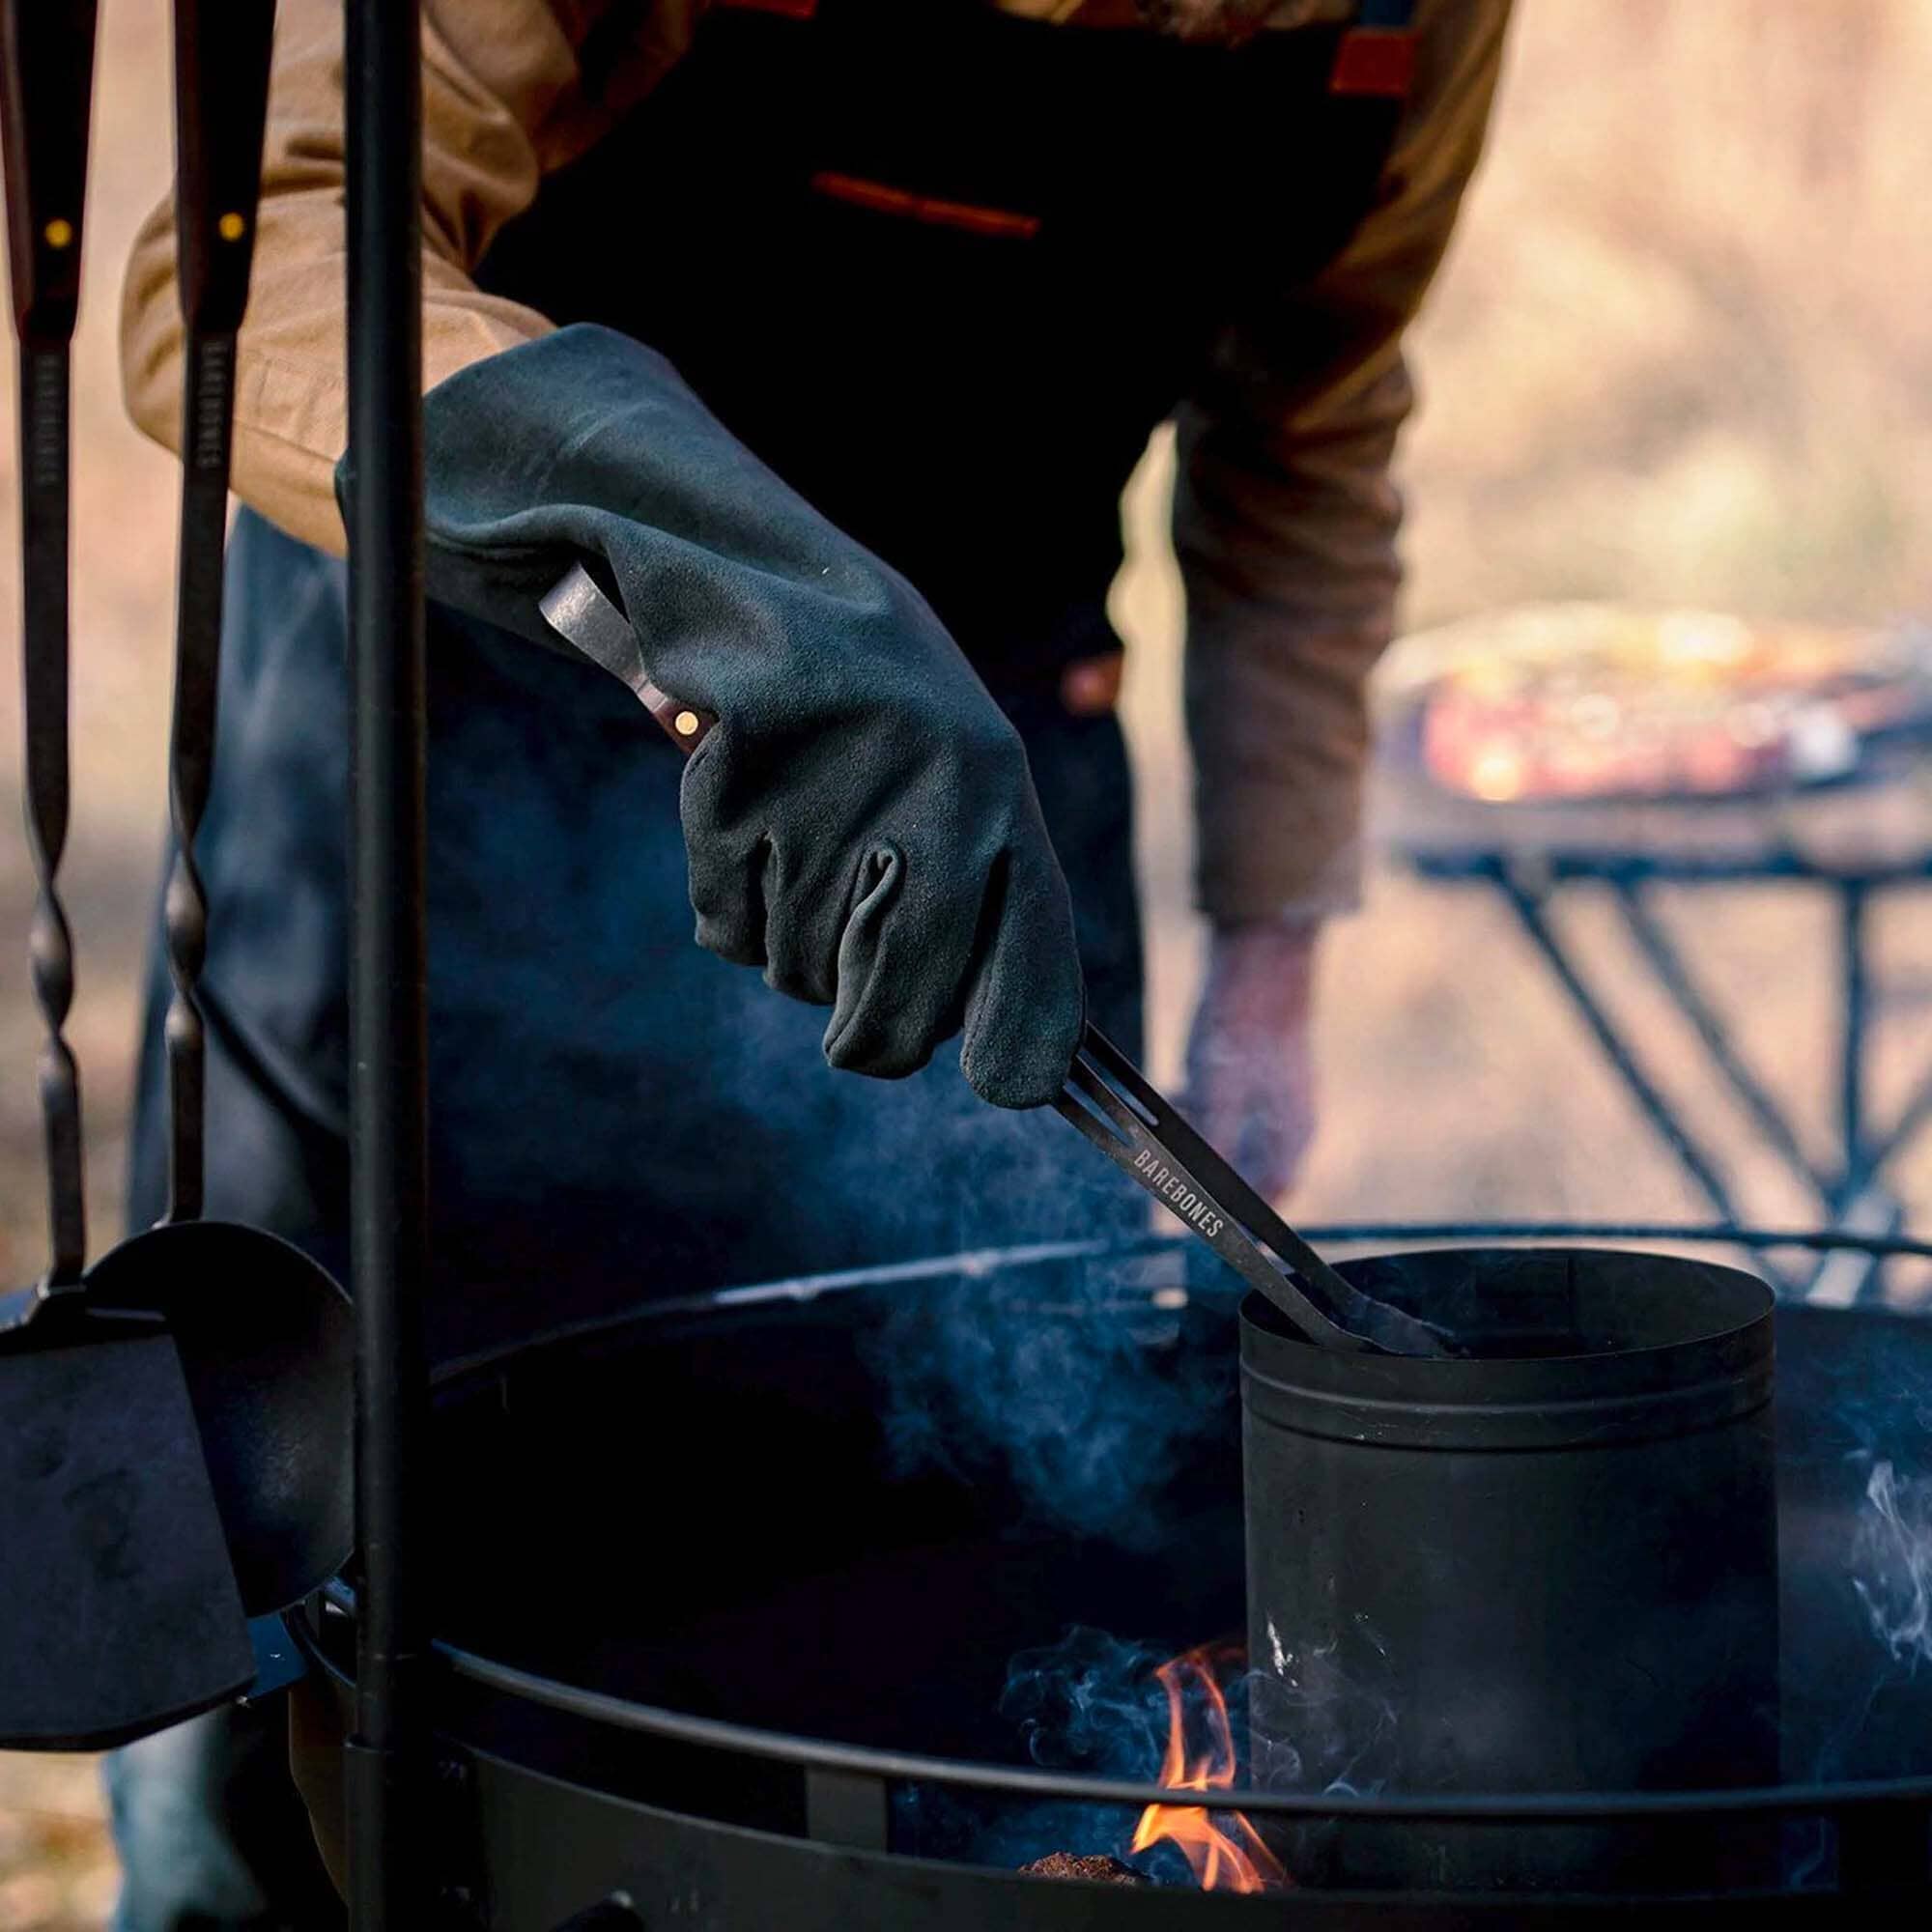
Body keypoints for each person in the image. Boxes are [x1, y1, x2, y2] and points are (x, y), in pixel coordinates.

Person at [104, 1, 1512, 1923]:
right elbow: (262, 277)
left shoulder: (1405, 24)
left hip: (972, 855)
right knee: (290, 1732)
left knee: (960, 1684)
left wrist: (1266, 965)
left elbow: (1311, 420)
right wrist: (730, 585)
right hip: (442, 802)